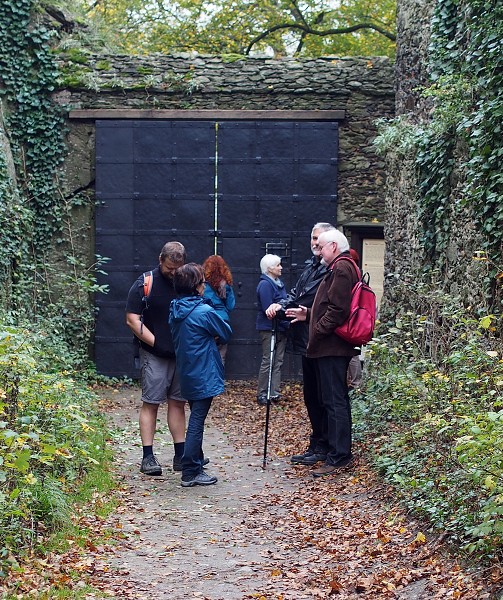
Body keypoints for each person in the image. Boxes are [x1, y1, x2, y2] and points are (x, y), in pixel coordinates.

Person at [286, 229, 360, 477]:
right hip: (330, 345)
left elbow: (338, 310)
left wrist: (316, 330)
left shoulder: (341, 268)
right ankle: (334, 450)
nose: (319, 248)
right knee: (331, 399)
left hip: (331, 346)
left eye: (323, 245)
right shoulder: (339, 267)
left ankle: (340, 455)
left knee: (334, 400)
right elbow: (329, 306)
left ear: (334, 247)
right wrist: (309, 316)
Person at [265, 223, 335, 465]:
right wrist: (280, 305)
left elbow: (309, 299)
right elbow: (295, 294)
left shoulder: (331, 270)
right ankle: (317, 443)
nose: (315, 243)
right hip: (307, 340)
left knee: (323, 395)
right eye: (313, 238)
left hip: (322, 340)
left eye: (319, 239)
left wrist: (288, 306)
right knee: (311, 396)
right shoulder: (311, 266)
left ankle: (325, 446)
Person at [125, 241, 187, 477]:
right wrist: (157, 343)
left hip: (181, 355)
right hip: (154, 354)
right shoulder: (145, 283)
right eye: (170, 268)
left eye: (177, 269)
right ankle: (148, 456)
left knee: (178, 403)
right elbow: (132, 318)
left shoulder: (186, 281)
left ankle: (180, 456)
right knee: (151, 402)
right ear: (161, 260)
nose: (173, 273)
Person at [169, 263, 232, 487]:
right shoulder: (203, 311)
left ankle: (195, 460)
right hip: (203, 372)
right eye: (203, 282)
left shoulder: (175, 308)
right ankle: (190, 471)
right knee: (197, 420)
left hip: (186, 371)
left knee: (195, 415)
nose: (205, 285)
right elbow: (225, 332)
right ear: (196, 287)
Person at [255, 254, 290, 405]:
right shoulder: (265, 285)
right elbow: (267, 309)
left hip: (280, 327)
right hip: (269, 328)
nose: (281, 267)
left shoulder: (278, 283)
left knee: (278, 360)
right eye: (278, 265)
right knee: (268, 360)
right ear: (269, 268)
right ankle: (263, 393)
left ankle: (273, 392)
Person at [202, 255, 236, 365]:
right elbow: (231, 306)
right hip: (222, 322)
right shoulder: (225, 285)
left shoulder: (202, 285)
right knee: (221, 355)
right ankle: (218, 380)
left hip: (207, 321)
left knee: (205, 354)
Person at [346, 248, 363, 389]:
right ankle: (354, 383)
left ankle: (356, 384)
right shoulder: (357, 273)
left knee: (352, 354)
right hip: (354, 318)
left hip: (351, 318)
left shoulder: (353, 274)